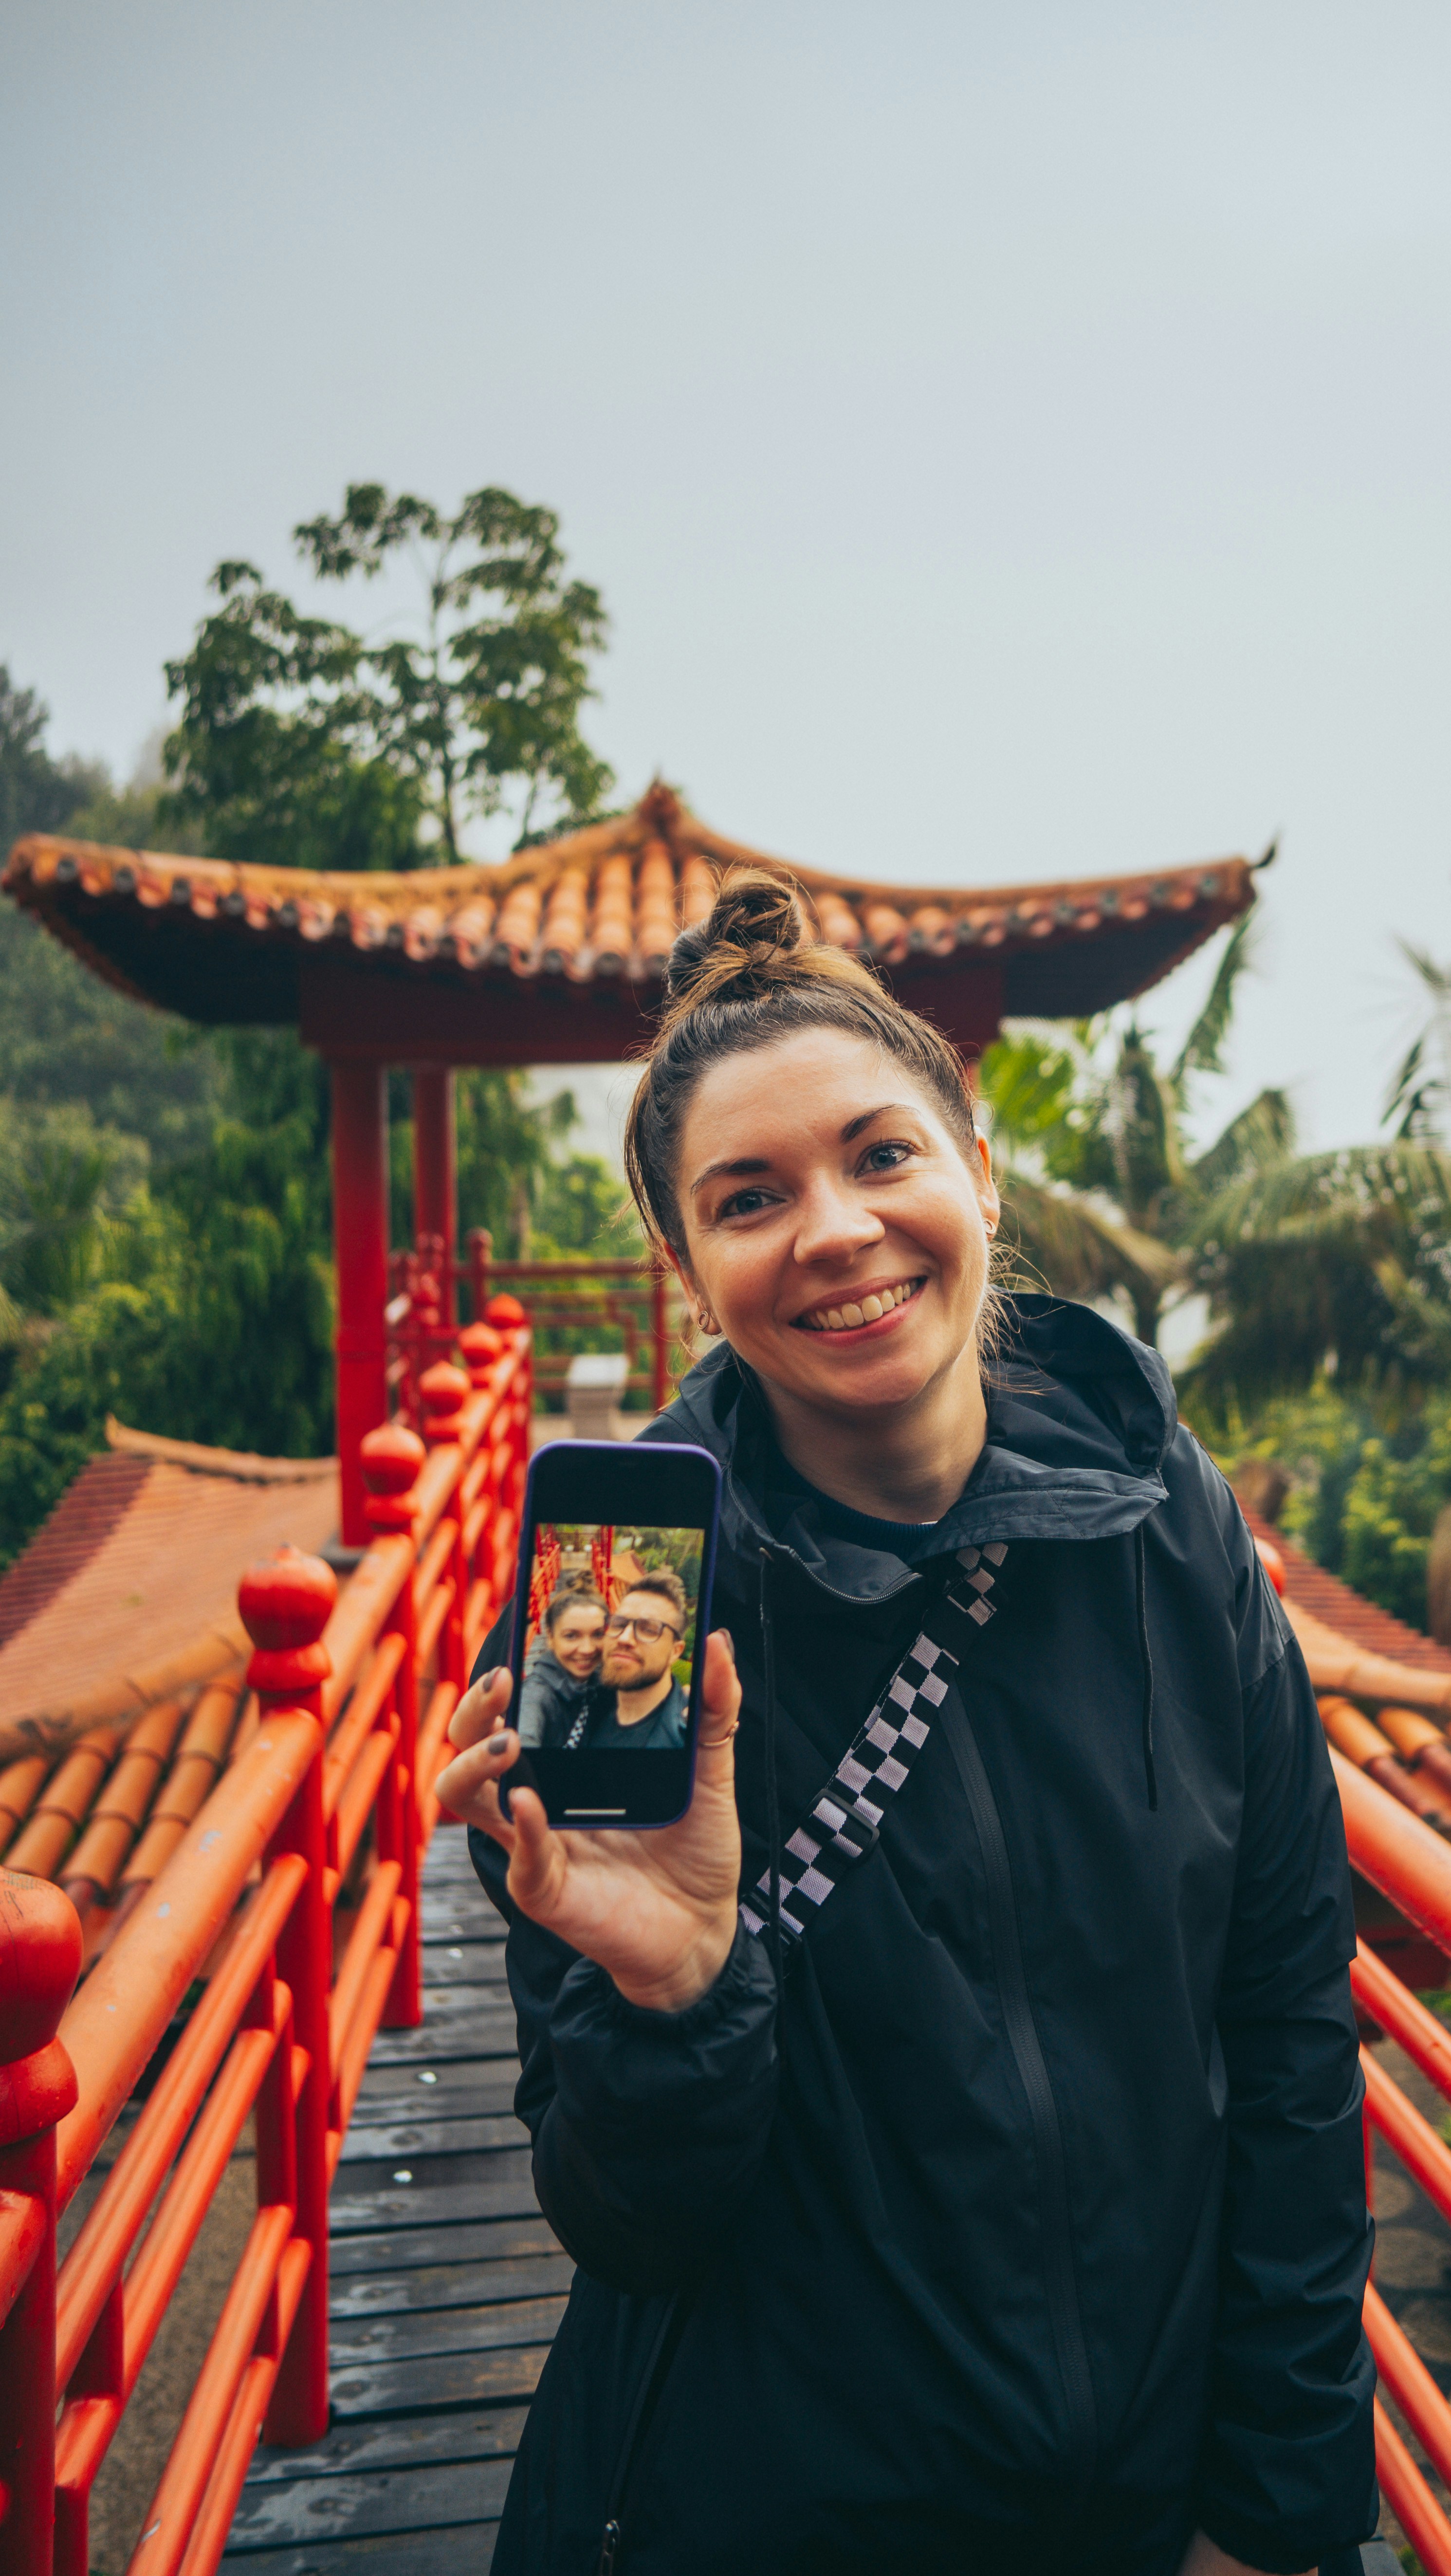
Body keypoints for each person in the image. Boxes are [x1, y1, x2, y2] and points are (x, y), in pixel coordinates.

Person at [439, 868, 1376, 2576]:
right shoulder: (623, 1604)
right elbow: (625, 2228)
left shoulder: (1169, 1521)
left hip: (1154, 2502)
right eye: (749, 1197)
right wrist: (672, 1996)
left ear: (979, 1175)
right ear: (688, 1267)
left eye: (882, 1154)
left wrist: (1273, 2506)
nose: (835, 1230)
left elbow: (1289, 2024)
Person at [587, 1567, 690, 1751]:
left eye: (648, 1630)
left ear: (676, 1651)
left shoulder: (683, 1738)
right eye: (619, 1624)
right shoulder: (589, 1700)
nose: (624, 1638)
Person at [518, 1576, 610, 1750]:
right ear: (551, 1637)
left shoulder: (600, 1683)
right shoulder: (536, 1694)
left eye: (598, 1634)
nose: (587, 1649)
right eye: (571, 1636)